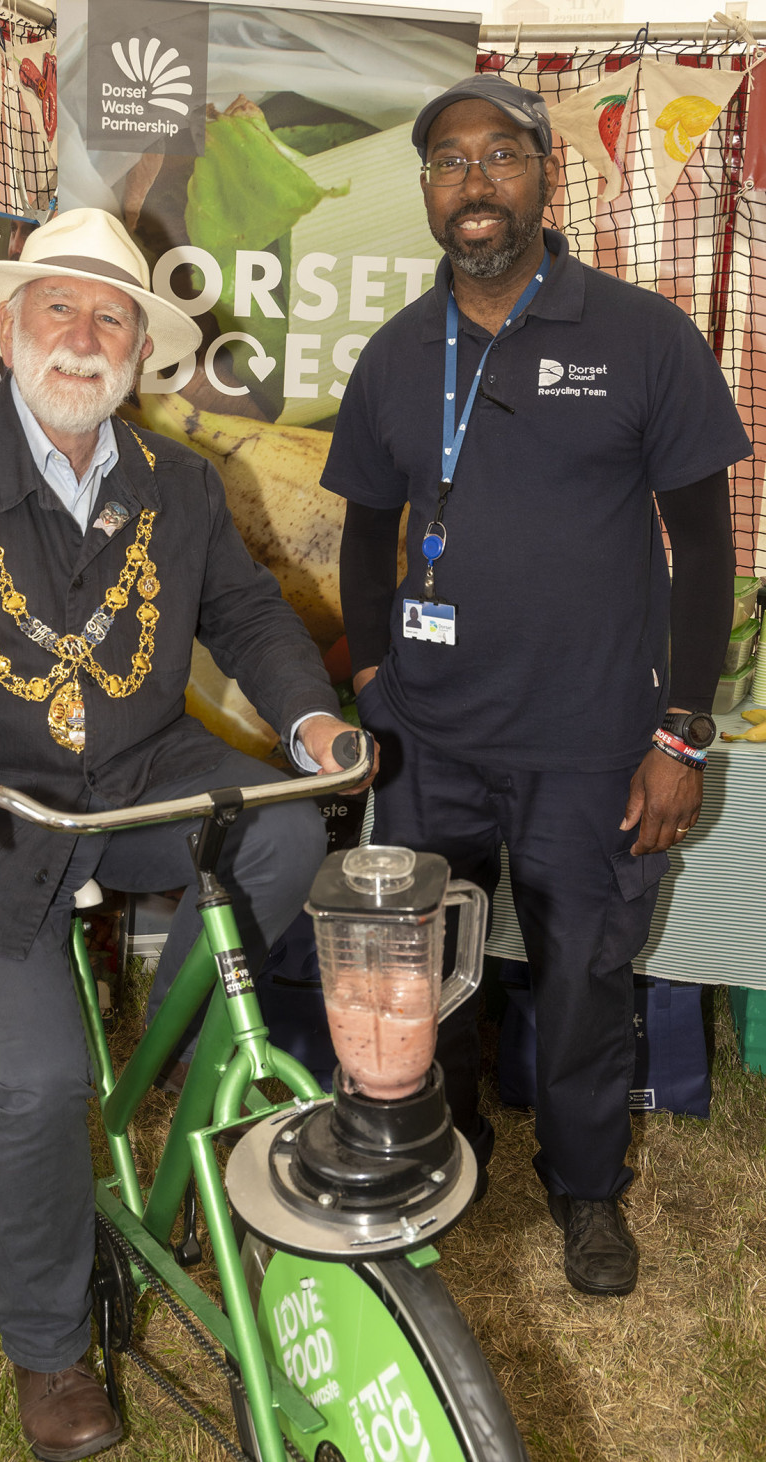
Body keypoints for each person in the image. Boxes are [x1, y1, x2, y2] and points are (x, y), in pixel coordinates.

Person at [0, 208, 366, 1460]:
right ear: (8, 329)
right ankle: (50, 1350)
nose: (85, 333)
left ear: (136, 349)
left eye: (112, 315)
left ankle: (168, 1070)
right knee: (44, 1081)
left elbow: (252, 619)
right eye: (60, 307)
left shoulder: (177, 482)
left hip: (144, 770)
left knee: (281, 839)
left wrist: (312, 718)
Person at [322, 75, 749, 1299]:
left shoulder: (642, 334)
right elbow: (365, 533)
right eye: (447, 161)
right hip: (429, 747)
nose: (472, 181)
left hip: (591, 745)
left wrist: (680, 732)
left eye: (498, 155)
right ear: (425, 189)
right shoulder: (400, 352)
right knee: (425, 982)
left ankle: (584, 1191)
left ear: (545, 174)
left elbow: (705, 545)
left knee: (581, 985)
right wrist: (370, 684)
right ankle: (434, 1169)